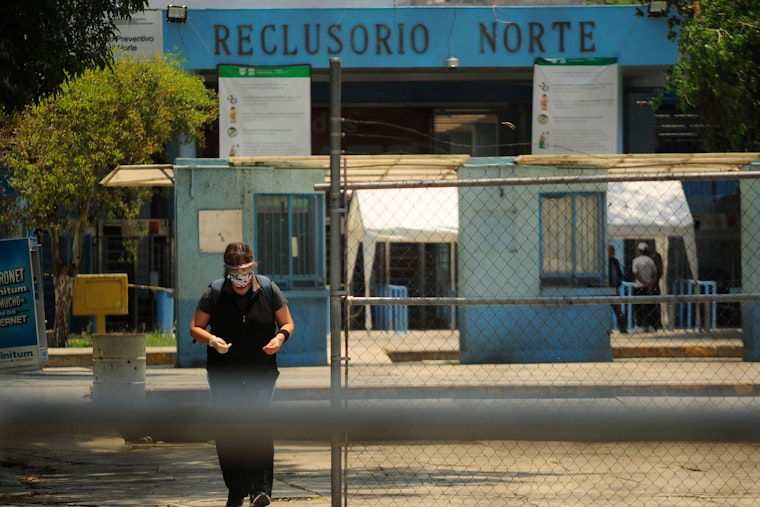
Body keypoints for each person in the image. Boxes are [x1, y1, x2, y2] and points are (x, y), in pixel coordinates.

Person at [189, 242, 295, 507]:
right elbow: (195, 328)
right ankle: (236, 489)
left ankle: (260, 489)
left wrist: (280, 339)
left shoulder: (268, 289)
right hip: (225, 374)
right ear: (227, 271)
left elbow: (287, 322)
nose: (240, 277)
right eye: (234, 272)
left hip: (261, 371)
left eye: (245, 270)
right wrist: (212, 340)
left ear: (252, 267)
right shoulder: (214, 292)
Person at [631, 242, 658, 333]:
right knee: (650, 307)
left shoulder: (635, 261)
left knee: (638, 308)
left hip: (638, 286)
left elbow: (636, 274)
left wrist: (645, 283)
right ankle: (651, 326)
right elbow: (655, 275)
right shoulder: (651, 261)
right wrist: (650, 285)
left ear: (639, 250)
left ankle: (639, 325)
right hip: (650, 287)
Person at [608, 245, 627, 333]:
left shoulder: (613, 261)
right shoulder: (612, 261)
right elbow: (619, 275)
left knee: (617, 309)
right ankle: (621, 328)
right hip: (611, 287)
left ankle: (622, 328)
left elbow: (619, 274)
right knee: (617, 309)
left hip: (612, 288)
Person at [648, 245, 664, 330]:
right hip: (657, 289)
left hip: (652, 288)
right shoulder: (659, 269)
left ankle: (652, 325)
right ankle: (656, 324)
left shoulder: (654, 269)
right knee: (655, 308)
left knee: (651, 308)